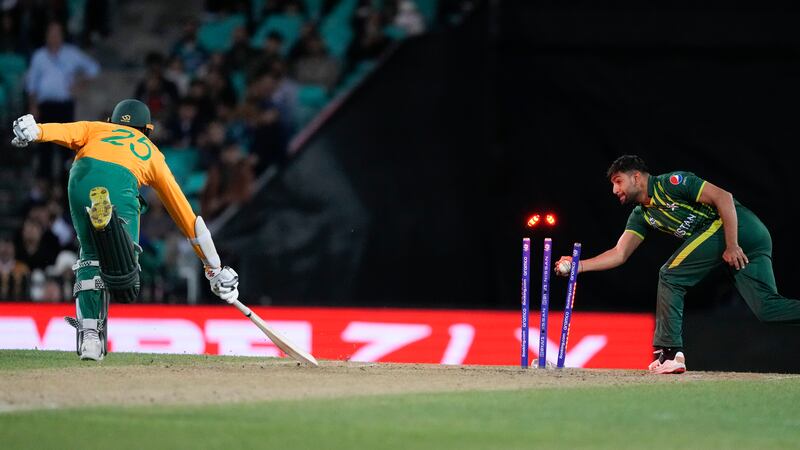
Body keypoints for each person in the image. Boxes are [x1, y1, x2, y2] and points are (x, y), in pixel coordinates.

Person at [10, 99, 240, 361]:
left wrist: (35, 130)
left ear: (113, 122)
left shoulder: (97, 129)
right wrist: (214, 268)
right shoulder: (151, 152)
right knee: (127, 277)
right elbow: (187, 216)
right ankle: (112, 225)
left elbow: (63, 131)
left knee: (89, 256)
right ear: (147, 130)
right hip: (120, 186)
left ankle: (90, 339)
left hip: (81, 179)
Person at [554, 155, 800, 374]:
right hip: (754, 238)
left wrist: (732, 244)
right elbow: (620, 253)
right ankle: (669, 353)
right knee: (767, 309)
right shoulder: (642, 215)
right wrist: (579, 266)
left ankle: (670, 353)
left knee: (671, 275)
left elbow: (723, 197)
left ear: (636, 177)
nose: (614, 189)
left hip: (736, 228)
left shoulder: (672, 183)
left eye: (618, 181)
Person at [25, 21, 100, 181]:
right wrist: (33, 105)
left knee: (65, 147)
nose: (54, 37)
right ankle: (44, 185)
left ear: (62, 36)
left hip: (64, 106)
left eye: (57, 33)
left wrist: (80, 83)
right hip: (45, 106)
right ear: (46, 36)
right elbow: (32, 83)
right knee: (45, 148)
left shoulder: (71, 54)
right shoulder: (39, 56)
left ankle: (65, 185)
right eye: (51, 33)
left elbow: (93, 68)